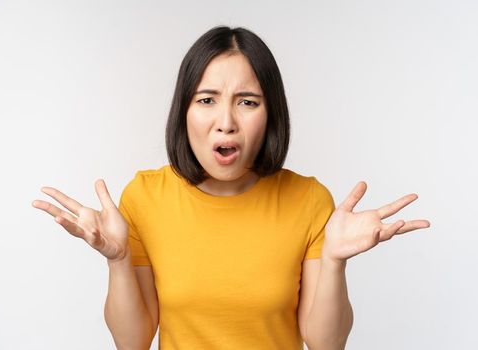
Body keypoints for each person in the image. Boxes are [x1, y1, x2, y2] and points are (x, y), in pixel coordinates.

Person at [31, 26, 431, 349]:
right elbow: (131, 342)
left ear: (270, 113)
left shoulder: (308, 200)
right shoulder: (145, 197)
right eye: (207, 100)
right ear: (183, 110)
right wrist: (117, 261)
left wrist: (334, 262)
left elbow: (326, 344)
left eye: (247, 102)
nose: (226, 121)